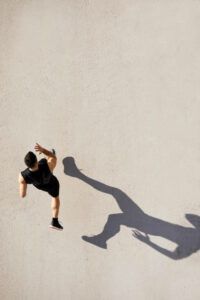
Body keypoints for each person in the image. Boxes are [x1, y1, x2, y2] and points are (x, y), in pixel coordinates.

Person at [18, 143, 63, 230]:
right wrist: (43, 150)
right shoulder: (47, 165)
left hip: (41, 186)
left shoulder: (23, 176)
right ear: (36, 161)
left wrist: (23, 182)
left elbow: (22, 195)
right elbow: (53, 157)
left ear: (27, 165)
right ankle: (54, 221)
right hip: (52, 184)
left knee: (53, 197)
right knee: (55, 197)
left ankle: (55, 222)